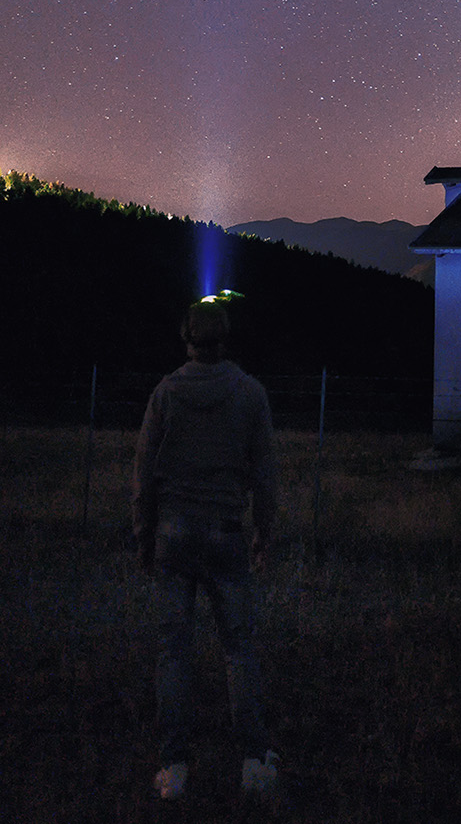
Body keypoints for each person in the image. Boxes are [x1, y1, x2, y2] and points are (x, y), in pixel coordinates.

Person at [133, 299, 279, 804]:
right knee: (239, 648)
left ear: (187, 338)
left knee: (173, 651)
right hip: (225, 532)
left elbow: (144, 471)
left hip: (173, 533)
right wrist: (263, 531)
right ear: (225, 338)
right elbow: (264, 473)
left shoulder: (165, 394)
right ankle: (255, 762)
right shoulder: (250, 394)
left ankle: (174, 769)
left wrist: (143, 533)